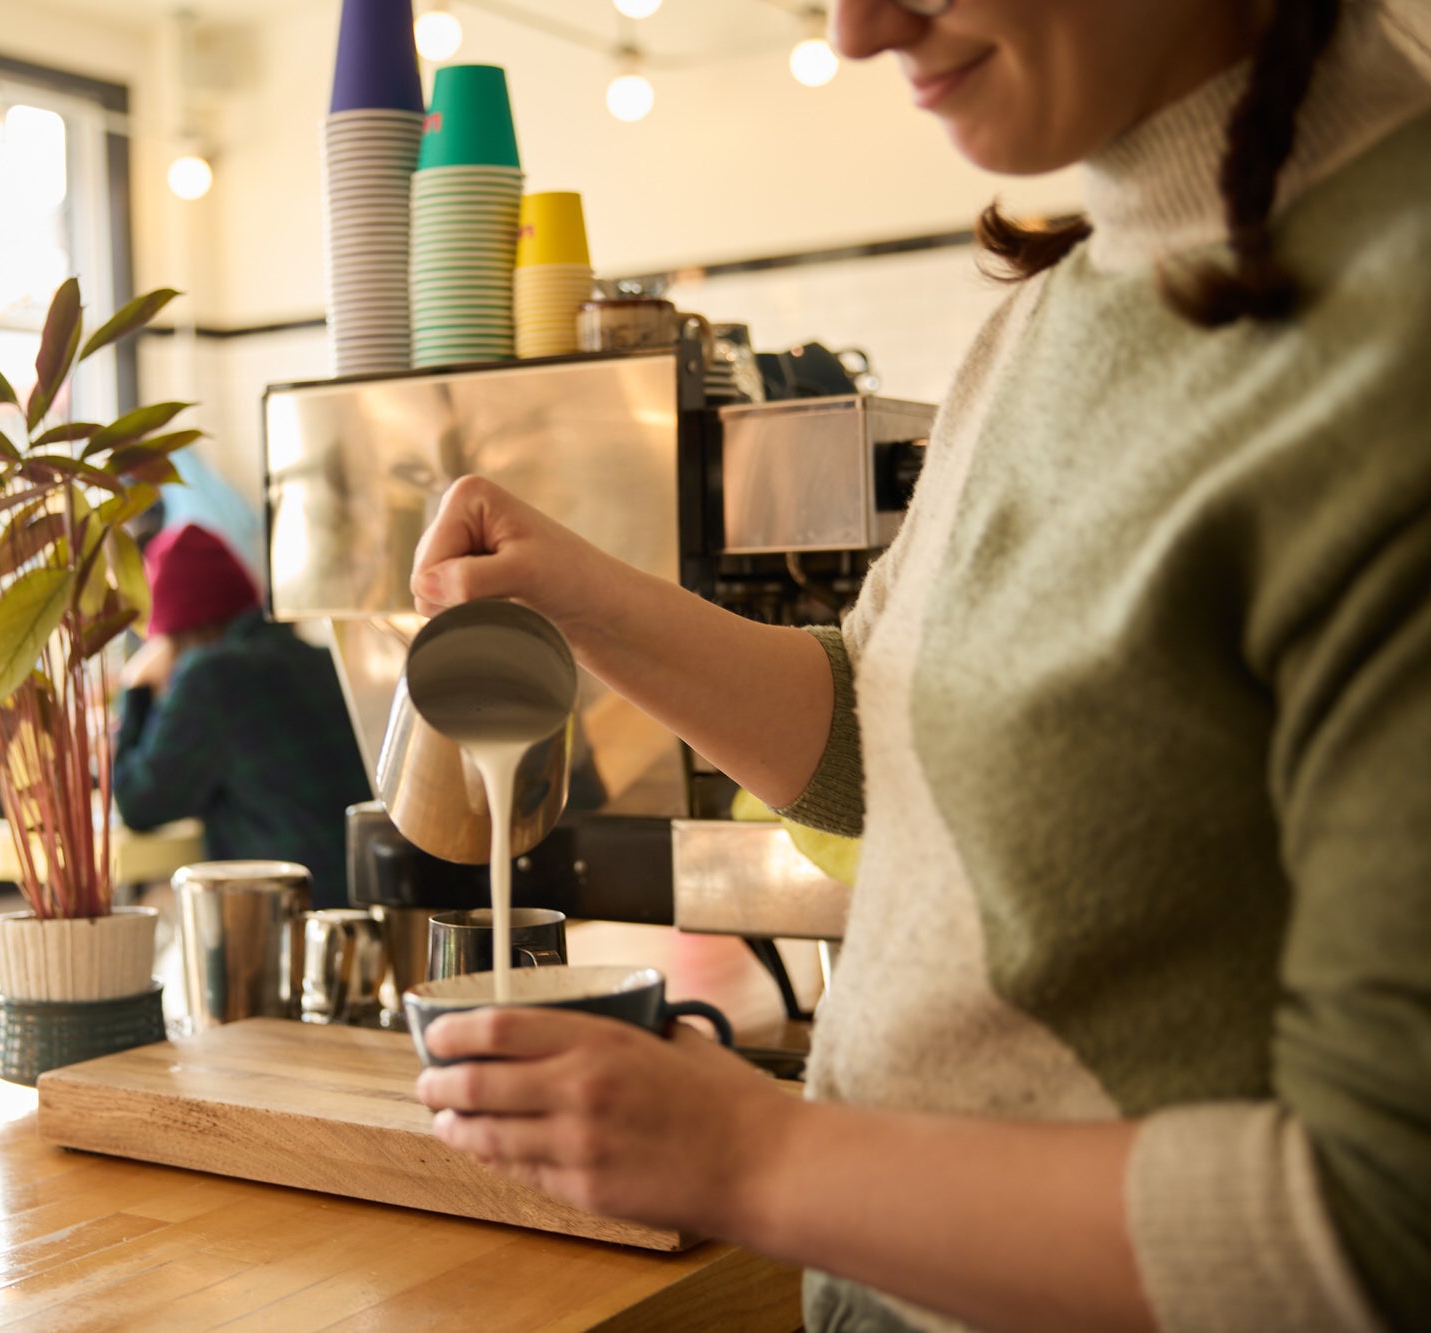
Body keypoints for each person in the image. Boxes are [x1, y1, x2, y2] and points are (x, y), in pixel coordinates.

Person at [407, 2, 1431, 1331]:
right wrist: (574, 592)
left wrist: (755, 1158)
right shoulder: (1069, 300)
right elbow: (885, 746)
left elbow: (1383, 1226)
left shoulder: (1393, 345)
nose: (855, 27)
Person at [110, 522, 371, 908]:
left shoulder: (209, 678)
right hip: (368, 900)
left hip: (290, 916)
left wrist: (136, 690)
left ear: (173, 631)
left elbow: (139, 802)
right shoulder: (317, 659)